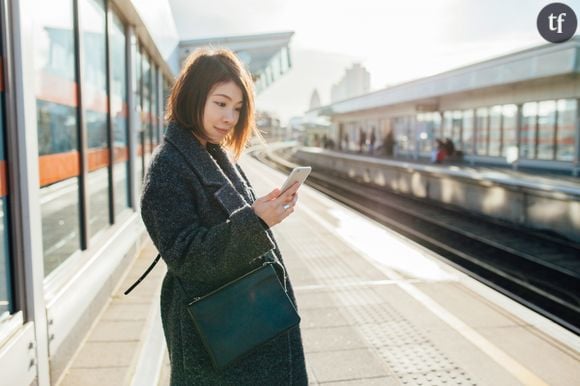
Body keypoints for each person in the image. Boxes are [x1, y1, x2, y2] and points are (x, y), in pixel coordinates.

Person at [140, 48, 308, 385]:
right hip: (218, 339)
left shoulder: (214, 155)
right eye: (220, 103)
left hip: (249, 325)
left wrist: (262, 213)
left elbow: (233, 225)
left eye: (237, 108)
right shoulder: (167, 169)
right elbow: (187, 257)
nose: (230, 117)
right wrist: (256, 222)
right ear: (192, 96)